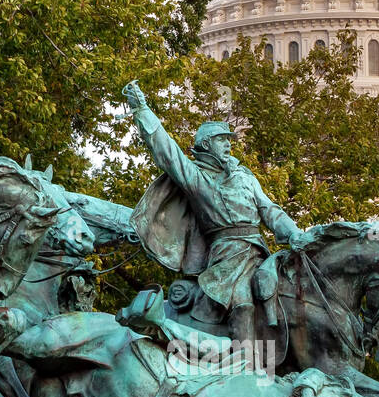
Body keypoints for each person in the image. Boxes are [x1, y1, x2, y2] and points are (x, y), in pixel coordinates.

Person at [124, 82, 307, 343]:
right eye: (222, 140)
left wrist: (294, 234)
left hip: (259, 252)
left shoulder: (245, 176)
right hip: (227, 257)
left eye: (229, 140)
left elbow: (270, 211)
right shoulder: (197, 177)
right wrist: (141, 109)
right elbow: (166, 151)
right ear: (206, 145)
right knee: (242, 304)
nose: (229, 145)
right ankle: (244, 362)